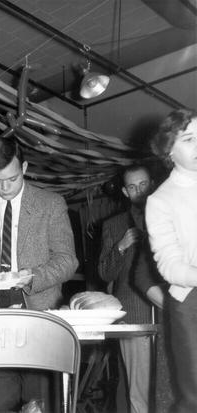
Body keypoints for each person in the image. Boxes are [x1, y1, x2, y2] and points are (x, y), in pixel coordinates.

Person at [0, 136, 78, 413]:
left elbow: (67, 260)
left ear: (24, 167)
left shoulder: (51, 204)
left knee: (40, 405)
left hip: (40, 312)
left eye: (11, 179)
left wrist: (33, 276)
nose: (4, 188)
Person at [98, 164, 164, 413]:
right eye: (132, 187)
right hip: (134, 318)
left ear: (152, 184)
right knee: (139, 394)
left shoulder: (169, 216)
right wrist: (121, 247)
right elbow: (105, 273)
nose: (139, 191)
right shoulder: (113, 225)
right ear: (125, 192)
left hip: (171, 317)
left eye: (143, 185)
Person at [146, 108, 197, 413]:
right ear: (169, 150)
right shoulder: (160, 200)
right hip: (191, 304)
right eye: (190, 139)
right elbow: (169, 266)